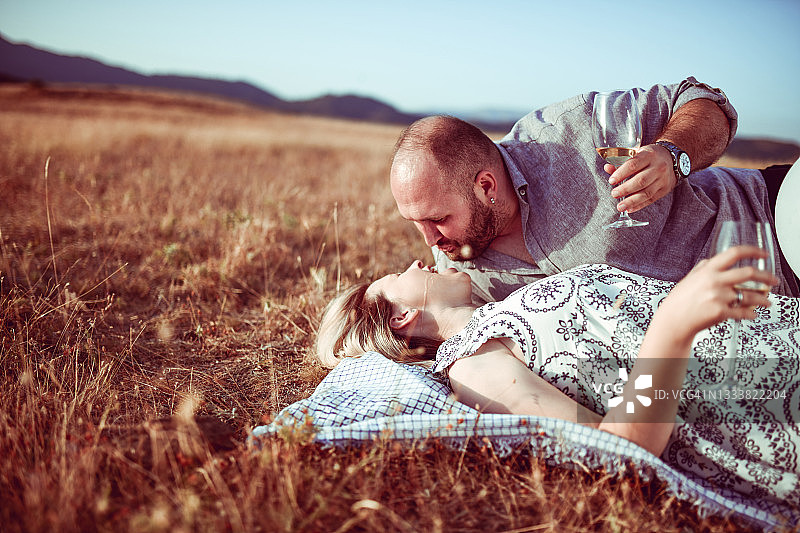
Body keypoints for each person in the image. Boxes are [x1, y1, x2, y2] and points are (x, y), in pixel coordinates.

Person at [315, 249, 799, 506]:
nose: (415, 263)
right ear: (399, 317)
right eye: (396, 276)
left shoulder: (502, 309)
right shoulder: (475, 368)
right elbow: (618, 450)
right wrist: (673, 324)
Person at [389, 77, 799, 303]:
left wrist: (673, 154)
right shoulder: (457, 278)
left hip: (777, 220)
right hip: (763, 329)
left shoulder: (577, 131)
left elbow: (705, 101)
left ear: (486, 186)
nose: (428, 240)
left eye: (438, 219)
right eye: (414, 222)